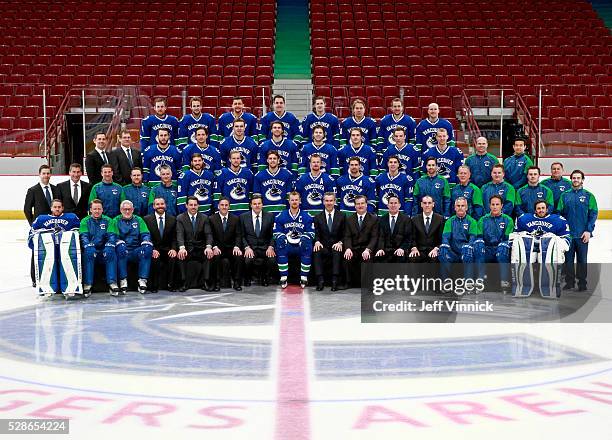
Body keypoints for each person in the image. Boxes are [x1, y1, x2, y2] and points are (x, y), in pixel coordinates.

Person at [28, 199, 82, 297]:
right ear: (51, 208)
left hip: (66, 250)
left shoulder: (71, 217)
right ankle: (46, 286)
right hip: (48, 250)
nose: (57, 209)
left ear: (63, 208)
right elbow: (32, 234)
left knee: (67, 262)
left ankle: (71, 286)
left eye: (59, 207)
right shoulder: (41, 219)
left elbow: (79, 233)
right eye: (55, 207)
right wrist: (35, 246)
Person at [557, 169, 598, 291]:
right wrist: (562, 231)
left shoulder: (588, 196)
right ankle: (569, 282)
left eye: (578, 178)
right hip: (568, 235)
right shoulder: (564, 196)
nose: (576, 180)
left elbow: (593, 214)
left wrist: (588, 231)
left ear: (582, 180)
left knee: (582, 260)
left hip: (582, 234)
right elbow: (559, 213)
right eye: (574, 178)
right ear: (571, 180)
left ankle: (582, 283)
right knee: (568, 260)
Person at [107, 200, 153, 295]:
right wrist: (119, 242)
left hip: (136, 250)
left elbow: (145, 234)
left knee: (148, 246)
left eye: (129, 209)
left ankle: (142, 280)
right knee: (121, 247)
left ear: (133, 210)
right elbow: (112, 236)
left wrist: (146, 241)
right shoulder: (115, 220)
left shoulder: (139, 220)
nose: (127, 212)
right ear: (120, 210)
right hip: (122, 249)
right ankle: (123, 279)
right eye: (125, 209)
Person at [24, 164, 60, 286]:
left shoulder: (56, 189)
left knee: (54, 251)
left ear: (51, 174)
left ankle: (52, 276)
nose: (46, 175)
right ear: (39, 175)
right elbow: (27, 210)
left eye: (48, 173)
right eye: (44, 173)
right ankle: (35, 278)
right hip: (40, 228)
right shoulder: (33, 190)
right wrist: (33, 225)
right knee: (37, 252)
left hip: (54, 226)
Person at [273, 191, 315, 289]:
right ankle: (284, 277)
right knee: (280, 242)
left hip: (300, 244)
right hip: (287, 245)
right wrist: (283, 238)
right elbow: (276, 233)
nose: (294, 202)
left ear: (300, 201)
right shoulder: (281, 215)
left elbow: (311, 232)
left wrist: (304, 238)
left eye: (296, 200)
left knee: (307, 243)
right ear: (289, 201)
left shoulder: (307, 216)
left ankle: (303, 277)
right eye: (292, 200)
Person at [474, 195, 514, 287]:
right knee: (478, 245)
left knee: (503, 247)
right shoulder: (482, 220)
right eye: (493, 204)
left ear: (501, 205)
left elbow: (507, 239)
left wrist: (502, 245)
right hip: (487, 249)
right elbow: (479, 237)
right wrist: (480, 244)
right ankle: (480, 279)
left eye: (497, 204)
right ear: (489, 206)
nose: (495, 206)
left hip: (501, 249)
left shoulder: (508, 220)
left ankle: (504, 281)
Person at [176, 196, 214, 291]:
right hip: (187, 249)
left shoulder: (204, 218)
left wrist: (209, 247)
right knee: (181, 256)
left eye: (195, 205)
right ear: (186, 206)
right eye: (191, 205)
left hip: (201, 248)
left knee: (209, 255)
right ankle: (184, 282)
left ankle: (206, 282)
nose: (193, 207)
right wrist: (181, 247)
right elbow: (179, 234)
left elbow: (208, 234)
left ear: (198, 206)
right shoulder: (180, 218)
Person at [79, 199, 116, 296]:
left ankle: (112, 282)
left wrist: (109, 246)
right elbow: (84, 237)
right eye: (94, 209)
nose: (97, 211)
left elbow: (111, 236)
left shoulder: (108, 220)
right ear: (90, 210)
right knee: (89, 253)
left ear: (102, 209)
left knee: (110, 252)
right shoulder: (85, 221)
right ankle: (88, 284)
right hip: (91, 249)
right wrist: (88, 246)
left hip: (103, 250)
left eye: (99, 209)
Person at [240, 194, 276, 287]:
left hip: (265, 247)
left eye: (259, 203)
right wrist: (247, 247)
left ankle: (265, 277)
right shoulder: (243, 217)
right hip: (251, 247)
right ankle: (247, 278)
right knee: (248, 260)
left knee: (272, 260)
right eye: (254, 204)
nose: (257, 205)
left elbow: (272, 235)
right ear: (251, 205)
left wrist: (271, 247)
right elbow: (242, 235)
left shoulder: (270, 216)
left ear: (262, 204)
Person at [343, 195, 379, 287]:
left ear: (366, 205)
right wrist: (348, 248)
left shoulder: (374, 219)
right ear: (354, 206)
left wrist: (368, 249)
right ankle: (348, 282)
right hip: (354, 248)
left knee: (367, 258)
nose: (360, 206)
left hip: (366, 248)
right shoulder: (349, 219)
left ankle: (367, 283)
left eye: (362, 203)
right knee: (347, 257)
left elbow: (374, 237)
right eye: (358, 204)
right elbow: (347, 236)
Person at [143, 196, 178, 293]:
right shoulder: (147, 219)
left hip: (167, 249)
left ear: (165, 205)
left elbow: (174, 238)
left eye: (162, 204)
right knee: (154, 258)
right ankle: (154, 285)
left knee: (173, 258)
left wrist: (174, 249)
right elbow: (146, 237)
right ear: (154, 206)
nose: (160, 206)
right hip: (154, 249)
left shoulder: (172, 219)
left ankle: (171, 284)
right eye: (157, 204)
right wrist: (152, 249)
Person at [313, 192, 345, 291]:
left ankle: (335, 281)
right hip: (324, 246)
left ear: (335, 202)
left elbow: (345, 234)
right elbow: (317, 233)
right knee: (317, 250)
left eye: (331, 200)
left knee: (336, 250)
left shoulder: (342, 216)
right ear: (323, 202)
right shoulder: (318, 217)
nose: (329, 203)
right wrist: (317, 241)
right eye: (326, 201)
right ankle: (320, 280)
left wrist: (340, 242)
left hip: (336, 245)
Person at [209, 197, 243, 291]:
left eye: (226, 205)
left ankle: (236, 282)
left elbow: (238, 235)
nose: (224, 207)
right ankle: (217, 283)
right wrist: (214, 247)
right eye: (222, 205)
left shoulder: (235, 219)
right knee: (215, 257)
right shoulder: (212, 218)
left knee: (238, 256)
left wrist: (237, 247)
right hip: (218, 248)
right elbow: (210, 235)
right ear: (218, 206)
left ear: (229, 206)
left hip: (231, 248)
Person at [439, 197, 478, 267]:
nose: (460, 208)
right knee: (443, 251)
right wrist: (447, 248)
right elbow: (445, 238)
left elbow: (472, 239)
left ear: (466, 207)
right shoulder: (449, 221)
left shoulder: (472, 221)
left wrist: (467, 248)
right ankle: (447, 278)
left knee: (468, 252)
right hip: (453, 252)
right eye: (458, 206)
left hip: (466, 252)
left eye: (462, 206)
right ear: (455, 208)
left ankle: (468, 277)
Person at [214, 150, 254, 216]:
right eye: (234, 158)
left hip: (245, 211)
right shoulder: (222, 173)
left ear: (241, 159)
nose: (236, 160)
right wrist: (217, 209)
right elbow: (217, 194)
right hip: (228, 212)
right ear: (230, 159)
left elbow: (251, 192)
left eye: (238, 158)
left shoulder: (248, 173)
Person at [375, 195, 413, 263]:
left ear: (399, 205)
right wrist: (380, 248)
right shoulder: (382, 219)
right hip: (386, 250)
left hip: (400, 250)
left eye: (395, 203)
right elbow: (381, 237)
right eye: (391, 203)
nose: (393, 205)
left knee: (401, 258)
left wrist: (402, 248)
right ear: (387, 205)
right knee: (378, 257)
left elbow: (408, 238)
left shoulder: (406, 219)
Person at [409, 196, 444, 263]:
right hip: (419, 250)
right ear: (421, 204)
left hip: (433, 249)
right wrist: (414, 248)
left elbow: (441, 238)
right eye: (425, 203)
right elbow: (412, 237)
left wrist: (436, 249)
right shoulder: (414, 219)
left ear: (433, 204)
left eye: (429, 203)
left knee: (435, 259)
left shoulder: (440, 219)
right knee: (412, 258)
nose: (427, 205)